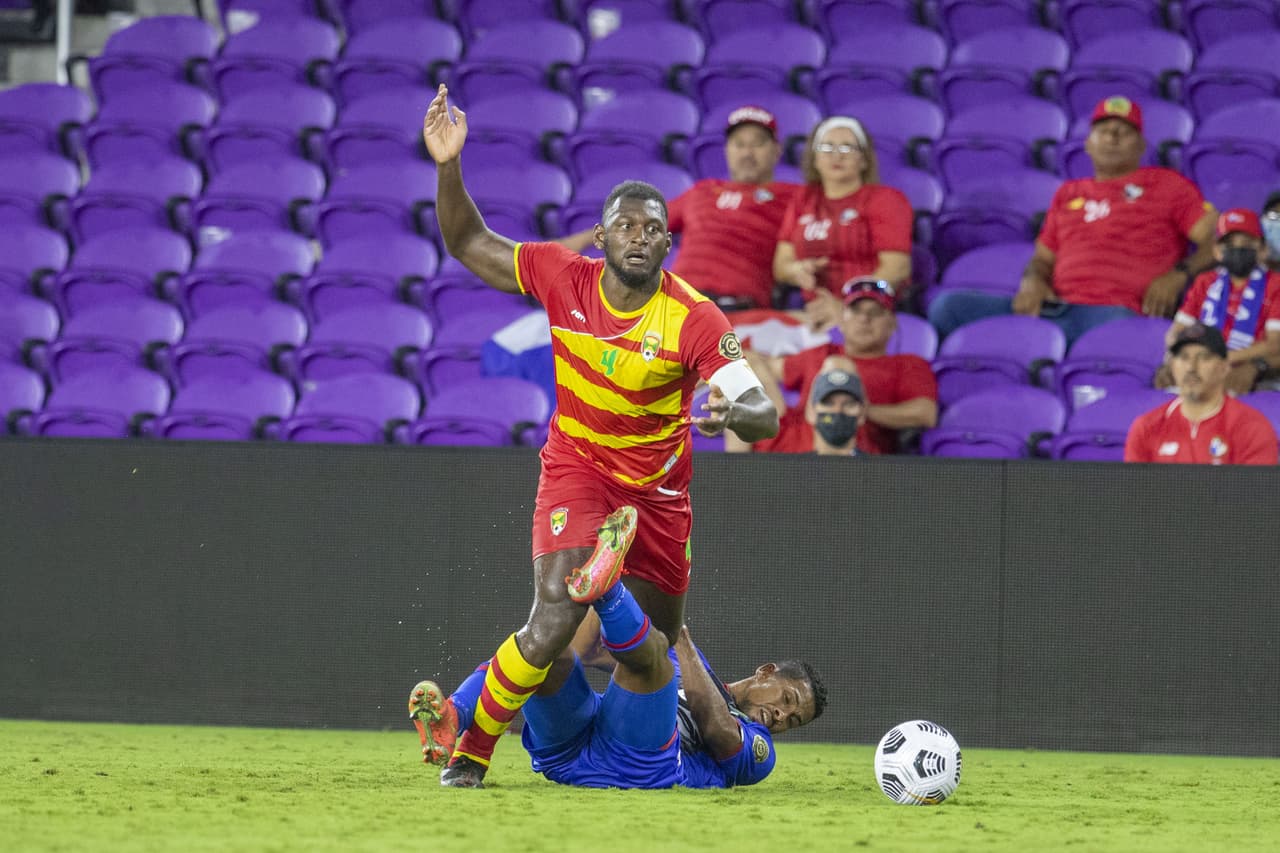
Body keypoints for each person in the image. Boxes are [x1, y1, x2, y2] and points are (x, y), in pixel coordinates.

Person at [420, 84, 780, 788]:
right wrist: (448, 165)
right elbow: (467, 242)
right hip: (578, 466)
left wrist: (730, 413)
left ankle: (593, 669)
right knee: (554, 617)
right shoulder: (563, 277)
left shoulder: (694, 317)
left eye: (653, 229)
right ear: (602, 235)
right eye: (626, 225)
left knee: (653, 650)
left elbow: (761, 409)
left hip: (659, 497)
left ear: (668, 242)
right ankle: (472, 750)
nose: (639, 236)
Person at [409, 554, 826, 789]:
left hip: (641, 765)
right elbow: (584, 650)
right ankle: (455, 714)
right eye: (787, 699)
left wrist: (676, 633)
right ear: (766, 672)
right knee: (547, 648)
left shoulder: (760, 751)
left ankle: (611, 591)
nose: (782, 716)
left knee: (651, 661)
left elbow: (715, 726)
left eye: (794, 720)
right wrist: (611, 577)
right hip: (569, 749)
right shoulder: (691, 666)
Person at [929, 96, 1219, 344]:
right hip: (1054, 308)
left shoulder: (1168, 185)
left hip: (1113, 312)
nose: (1112, 137)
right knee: (947, 307)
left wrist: (1179, 274)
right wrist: (1032, 282)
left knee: (1115, 324)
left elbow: (1218, 238)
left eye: (1123, 131)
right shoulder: (1068, 193)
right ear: (1088, 144)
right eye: (1103, 131)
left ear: (1141, 146)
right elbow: (1042, 259)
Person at [561, 105, 802, 311]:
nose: (747, 153)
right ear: (727, 150)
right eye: (739, 144)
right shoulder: (703, 191)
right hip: (676, 305)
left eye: (758, 143)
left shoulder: (794, 197)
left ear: (776, 150)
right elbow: (640, 222)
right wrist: (576, 242)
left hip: (739, 309)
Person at [730, 278, 937, 455]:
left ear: (892, 324)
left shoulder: (907, 364)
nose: (864, 319)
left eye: (875, 312)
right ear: (842, 321)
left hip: (853, 444)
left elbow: (925, 413)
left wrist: (862, 410)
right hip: (794, 439)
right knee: (744, 365)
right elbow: (767, 367)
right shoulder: (820, 352)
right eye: (855, 311)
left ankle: (828, 458)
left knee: (839, 365)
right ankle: (734, 471)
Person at [772, 115, 913, 330]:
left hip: (869, 314)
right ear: (815, 158)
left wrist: (849, 307)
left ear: (864, 160)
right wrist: (797, 270)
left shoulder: (885, 199)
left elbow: (897, 268)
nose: (837, 155)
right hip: (815, 313)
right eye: (827, 147)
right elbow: (781, 265)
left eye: (847, 148)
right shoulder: (803, 199)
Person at [1157, 208, 1280, 395]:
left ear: (1263, 250)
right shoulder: (1205, 282)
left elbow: (1275, 344)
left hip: (1257, 376)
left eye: (1247, 243)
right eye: (1229, 244)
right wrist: (1174, 360)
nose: (1238, 250)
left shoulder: (1275, 284)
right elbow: (1177, 332)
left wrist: (1222, 359)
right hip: (1205, 369)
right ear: (1216, 251)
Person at [1124, 323, 1278, 465]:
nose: (1191, 367)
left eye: (1204, 357)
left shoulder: (1252, 428)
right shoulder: (1147, 428)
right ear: (1172, 366)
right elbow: (1134, 486)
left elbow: (1256, 487)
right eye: (1183, 357)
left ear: (1224, 367)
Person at [807, 367, 867, 456]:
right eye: (828, 403)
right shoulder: (793, 464)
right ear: (811, 412)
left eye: (849, 404)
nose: (838, 410)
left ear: (862, 414)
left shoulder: (879, 465)